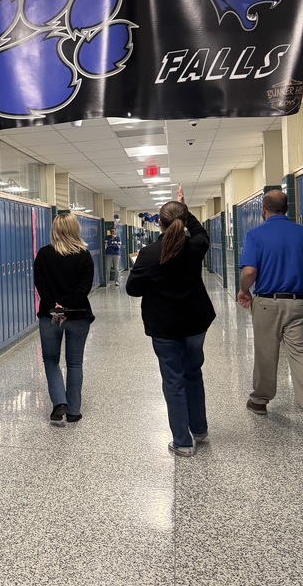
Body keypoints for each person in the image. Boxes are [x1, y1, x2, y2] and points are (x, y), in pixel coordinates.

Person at [126, 187, 215, 456]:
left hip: (165, 327)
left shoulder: (150, 254)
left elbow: (133, 289)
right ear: (182, 220)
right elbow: (201, 233)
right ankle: (199, 429)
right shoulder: (196, 247)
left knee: (173, 380)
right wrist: (183, 207)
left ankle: (183, 442)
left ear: (160, 223)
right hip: (195, 323)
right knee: (193, 373)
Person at [237, 189, 303, 413]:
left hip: (267, 303)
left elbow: (249, 271)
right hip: (299, 303)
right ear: (287, 209)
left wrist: (244, 290)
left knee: (266, 352)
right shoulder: (301, 233)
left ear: (262, 209)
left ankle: (260, 400)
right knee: (300, 353)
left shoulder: (255, 234)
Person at [34, 212, 95, 426]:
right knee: (75, 363)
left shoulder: (43, 254)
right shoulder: (84, 255)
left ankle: (59, 402)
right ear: (74, 230)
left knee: (51, 361)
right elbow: (84, 288)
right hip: (78, 316)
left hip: (50, 317)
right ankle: (74, 411)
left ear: (55, 230)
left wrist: (56, 306)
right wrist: (68, 306)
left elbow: (41, 286)